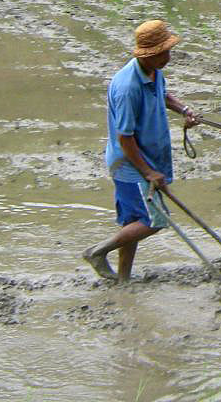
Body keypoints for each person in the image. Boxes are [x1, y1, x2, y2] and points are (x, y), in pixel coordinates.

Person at [83, 20, 199, 282]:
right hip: (130, 165)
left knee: (133, 223)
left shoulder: (153, 71)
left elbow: (164, 95)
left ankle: (124, 279)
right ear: (149, 53)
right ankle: (97, 252)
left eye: (168, 51)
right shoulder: (127, 87)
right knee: (154, 221)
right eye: (163, 53)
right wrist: (148, 172)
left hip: (146, 158)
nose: (168, 57)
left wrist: (184, 110)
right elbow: (124, 137)